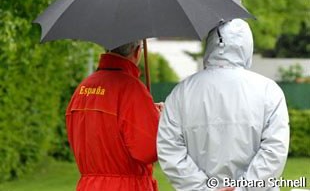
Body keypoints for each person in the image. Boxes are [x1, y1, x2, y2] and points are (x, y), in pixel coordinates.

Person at [157, 19, 290, 191]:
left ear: (210, 45)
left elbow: (170, 150)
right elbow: (274, 150)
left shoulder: (181, 93)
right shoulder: (269, 91)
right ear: (247, 47)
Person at [66, 40, 161, 191]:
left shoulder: (83, 88)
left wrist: (148, 111)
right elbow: (149, 151)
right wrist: (157, 119)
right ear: (137, 52)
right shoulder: (132, 88)